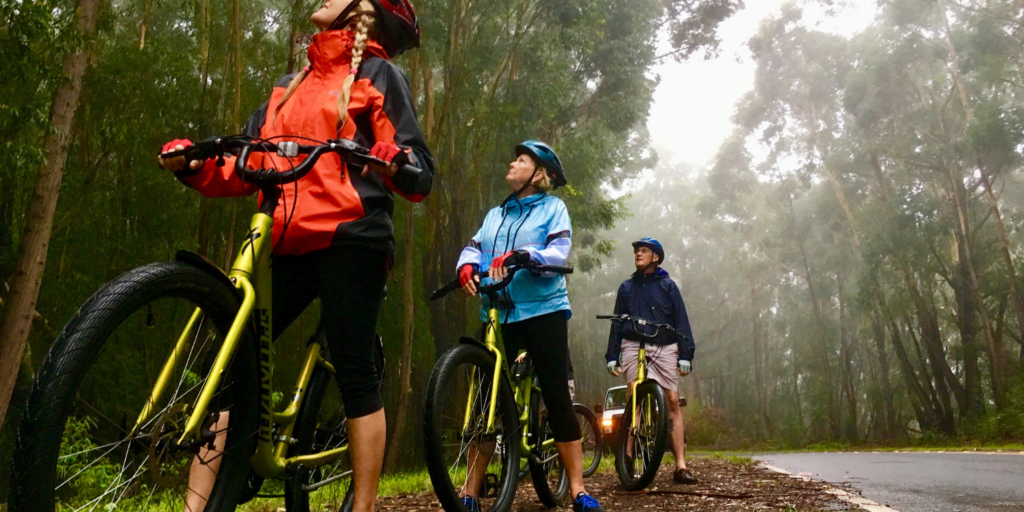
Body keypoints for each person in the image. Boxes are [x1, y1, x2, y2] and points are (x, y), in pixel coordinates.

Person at [157, 0, 432, 510]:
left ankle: (364, 506)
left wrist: (398, 163)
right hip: (283, 236)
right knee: (230, 367)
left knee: (353, 369)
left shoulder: (380, 75)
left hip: (353, 237)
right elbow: (247, 161)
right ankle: (196, 509)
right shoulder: (288, 84)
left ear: (362, 10)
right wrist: (197, 163)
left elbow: (418, 168)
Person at [455, 141, 605, 512]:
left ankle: (578, 491)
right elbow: (475, 246)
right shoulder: (496, 214)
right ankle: (469, 493)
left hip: (543, 310)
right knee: (483, 404)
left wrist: (525, 255)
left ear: (540, 175)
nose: (511, 163)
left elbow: (558, 252)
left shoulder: (554, 209)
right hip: (497, 310)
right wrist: (466, 265)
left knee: (556, 395)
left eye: (520, 161)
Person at [605, 238, 698, 485]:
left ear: (656, 257)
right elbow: (617, 322)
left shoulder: (668, 286)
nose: (638, 253)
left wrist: (686, 354)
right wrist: (612, 355)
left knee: (672, 401)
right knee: (633, 395)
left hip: (665, 345)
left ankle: (681, 466)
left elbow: (682, 320)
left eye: (644, 250)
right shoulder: (626, 287)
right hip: (633, 343)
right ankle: (627, 455)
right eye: (636, 250)